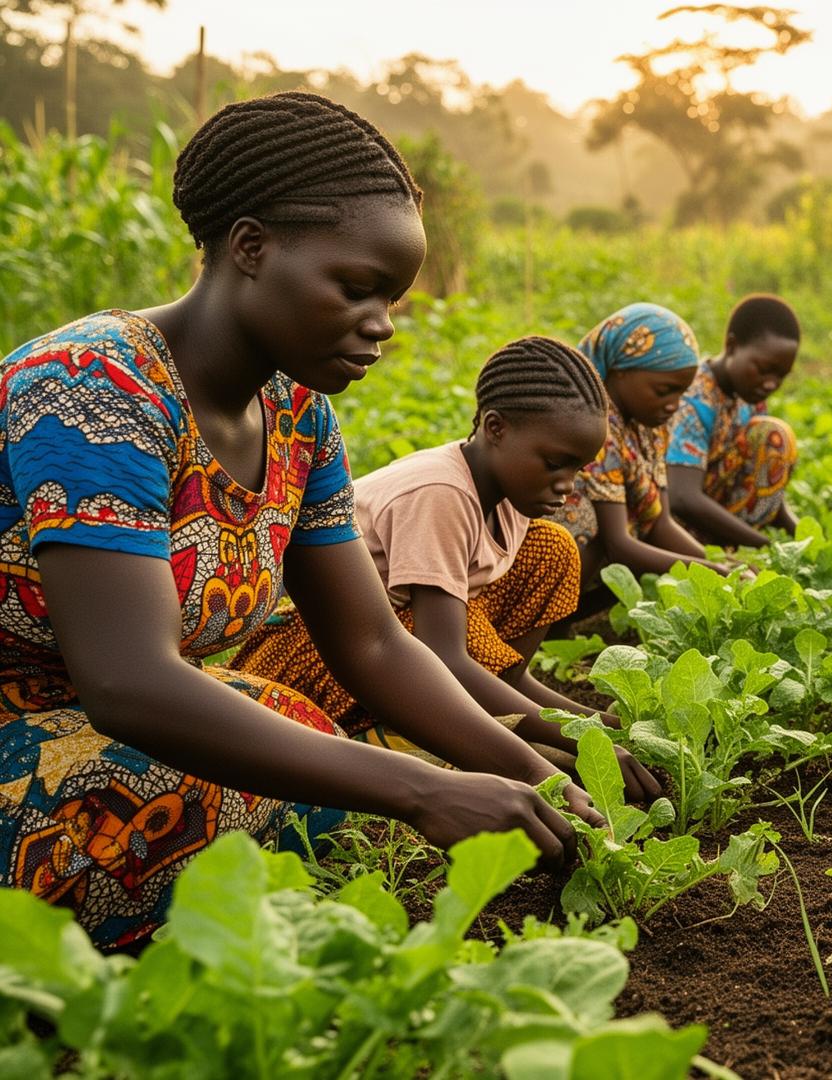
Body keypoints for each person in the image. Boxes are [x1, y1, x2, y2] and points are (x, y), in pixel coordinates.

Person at [0, 92, 593, 949]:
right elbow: (126, 680)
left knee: (301, 741)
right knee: (204, 792)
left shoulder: (298, 413)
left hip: (85, 720)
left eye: (392, 299)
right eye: (357, 288)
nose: (382, 325)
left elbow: (374, 645)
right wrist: (420, 789)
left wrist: (535, 774)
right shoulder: (97, 388)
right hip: (44, 718)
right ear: (250, 248)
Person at [234, 337, 659, 802]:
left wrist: (602, 729)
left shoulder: (514, 496)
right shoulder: (441, 492)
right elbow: (445, 654)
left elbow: (508, 673)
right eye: (556, 463)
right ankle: (402, 738)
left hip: (401, 653)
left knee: (552, 549)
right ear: (495, 428)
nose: (567, 485)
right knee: (460, 628)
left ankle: (483, 732)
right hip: (321, 656)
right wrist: (582, 739)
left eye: (578, 468)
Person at [553, 302, 724, 616]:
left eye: (681, 393)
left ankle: (568, 617)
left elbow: (661, 523)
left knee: (641, 526)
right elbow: (618, 544)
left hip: (605, 557)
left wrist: (719, 566)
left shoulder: (648, 427)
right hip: (546, 560)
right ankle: (552, 620)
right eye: (663, 391)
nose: (673, 404)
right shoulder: (593, 422)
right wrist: (715, 573)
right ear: (620, 370)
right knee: (588, 519)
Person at [666, 294, 802, 548]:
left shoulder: (749, 396)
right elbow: (681, 497)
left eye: (781, 375)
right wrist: (764, 545)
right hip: (674, 528)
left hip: (721, 521)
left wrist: (804, 541)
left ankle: (733, 547)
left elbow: (762, 483)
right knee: (775, 435)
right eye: (763, 369)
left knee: (774, 440)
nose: (771, 383)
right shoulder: (695, 398)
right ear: (731, 346)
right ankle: (726, 550)